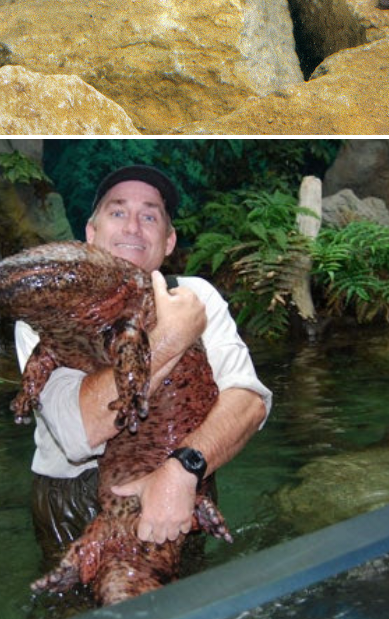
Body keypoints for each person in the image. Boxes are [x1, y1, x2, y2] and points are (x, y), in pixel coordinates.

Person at [16, 164, 271, 562]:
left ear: (168, 241)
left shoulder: (195, 294)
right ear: (90, 232)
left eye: (149, 216)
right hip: (76, 500)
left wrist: (182, 470)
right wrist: (173, 337)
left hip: (184, 480)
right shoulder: (48, 310)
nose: (133, 227)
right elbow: (79, 429)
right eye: (117, 212)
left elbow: (249, 402)